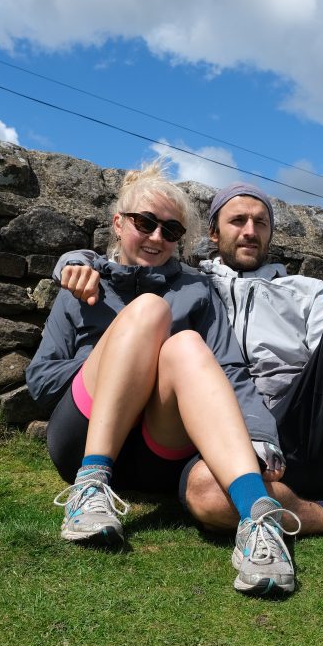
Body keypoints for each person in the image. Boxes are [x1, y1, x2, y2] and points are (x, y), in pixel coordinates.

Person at [56, 182, 323, 566]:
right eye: (236, 221)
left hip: (301, 419)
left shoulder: (306, 290)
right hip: (226, 436)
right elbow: (127, 266)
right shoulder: (193, 285)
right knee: (205, 495)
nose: (250, 231)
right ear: (213, 235)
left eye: (260, 222)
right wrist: (73, 261)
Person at [27, 162, 300, 596]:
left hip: (158, 452)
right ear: (118, 223)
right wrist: (120, 357)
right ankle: (90, 488)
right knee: (151, 312)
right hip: (81, 438)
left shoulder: (196, 287)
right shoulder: (81, 282)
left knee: (186, 343)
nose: (157, 238)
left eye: (171, 231)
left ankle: (259, 523)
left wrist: (262, 435)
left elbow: (229, 368)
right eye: (145, 223)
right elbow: (40, 381)